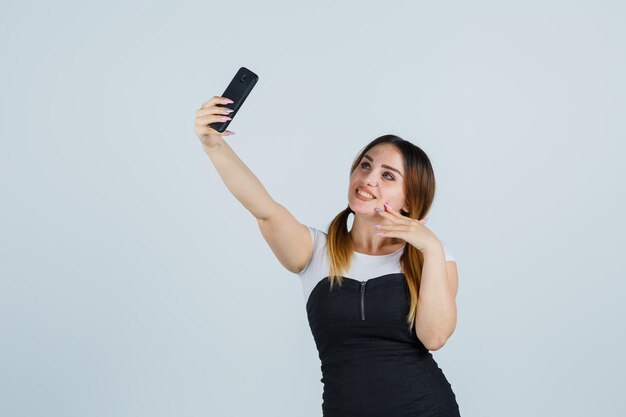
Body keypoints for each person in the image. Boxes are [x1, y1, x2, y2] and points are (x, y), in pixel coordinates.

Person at [195, 96, 462, 416]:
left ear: (409, 199)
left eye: (388, 175)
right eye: (365, 165)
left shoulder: (433, 257)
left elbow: (434, 337)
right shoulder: (315, 252)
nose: (369, 178)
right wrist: (213, 145)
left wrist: (430, 248)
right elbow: (264, 209)